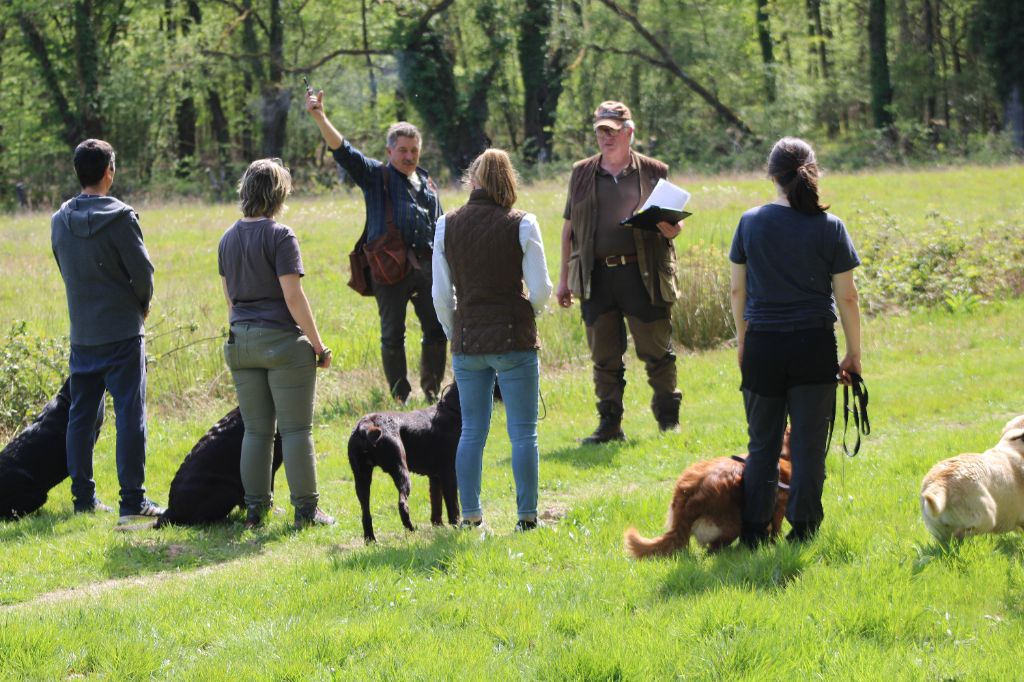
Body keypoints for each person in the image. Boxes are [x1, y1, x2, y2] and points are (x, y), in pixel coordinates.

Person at [729, 137, 863, 547]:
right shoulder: (830, 226)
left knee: (762, 445)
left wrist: (742, 341)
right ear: (813, 171)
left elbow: (738, 292)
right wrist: (855, 351)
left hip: (763, 346)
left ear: (772, 176)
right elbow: (848, 296)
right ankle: (803, 530)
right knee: (807, 448)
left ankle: (754, 532)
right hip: (814, 346)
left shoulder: (750, 222)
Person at [432, 149, 552, 531]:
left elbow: (440, 294)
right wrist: (527, 314)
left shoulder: (445, 224)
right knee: (523, 432)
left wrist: (455, 329)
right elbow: (541, 289)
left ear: (473, 181)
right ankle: (527, 518)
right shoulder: (522, 223)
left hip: (468, 341)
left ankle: (470, 517)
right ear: (509, 181)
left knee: (471, 431)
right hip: (513, 339)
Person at [305, 89, 447, 403]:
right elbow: (344, 151)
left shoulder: (426, 182)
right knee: (392, 335)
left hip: (426, 268)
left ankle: (433, 394)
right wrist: (320, 116)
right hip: (389, 268)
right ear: (390, 151)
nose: (409, 156)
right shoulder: (375, 176)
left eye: (414, 150)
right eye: (403, 151)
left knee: (437, 331)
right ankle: (400, 397)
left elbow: (441, 225)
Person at [556, 101, 684, 444]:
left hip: (642, 275)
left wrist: (671, 229)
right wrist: (564, 279)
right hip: (596, 277)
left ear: (629, 132)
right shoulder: (581, 172)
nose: (605, 137)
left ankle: (668, 421)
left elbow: (670, 222)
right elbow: (568, 229)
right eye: (600, 131)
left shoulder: (655, 170)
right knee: (604, 357)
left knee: (657, 351)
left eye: (612, 131)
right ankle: (610, 426)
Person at [218, 158, 335, 529]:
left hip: (241, 342)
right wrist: (318, 345)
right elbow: (293, 297)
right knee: (297, 430)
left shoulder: (227, 238)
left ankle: (256, 509)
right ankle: (306, 510)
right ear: (278, 193)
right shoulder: (280, 236)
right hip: (282, 343)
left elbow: (230, 301)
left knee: (256, 430)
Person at [51, 138, 163, 523]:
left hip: (82, 333)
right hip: (122, 332)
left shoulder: (58, 220)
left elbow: (66, 269)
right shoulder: (122, 217)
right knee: (130, 414)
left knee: (80, 416)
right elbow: (143, 275)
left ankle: (83, 498)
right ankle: (133, 501)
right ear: (109, 171)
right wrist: (142, 305)